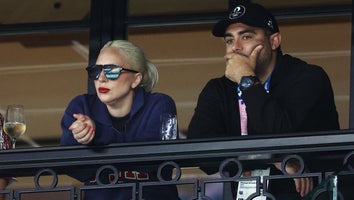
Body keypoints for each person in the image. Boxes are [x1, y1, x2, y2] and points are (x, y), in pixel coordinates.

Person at [187, 0, 339, 199]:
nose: (236, 48)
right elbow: (199, 149)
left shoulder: (308, 77)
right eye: (229, 40)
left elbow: (283, 136)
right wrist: (269, 159)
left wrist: (246, 80)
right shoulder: (218, 89)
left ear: (274, 41)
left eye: (247, 37)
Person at [60, 40, 180, 200]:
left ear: (136, 79)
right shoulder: (81, 106)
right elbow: (71, 166)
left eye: (111, 71)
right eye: (96, 71)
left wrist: (97, 136)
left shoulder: (160, 104)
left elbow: (156, 160)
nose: (101, 78)